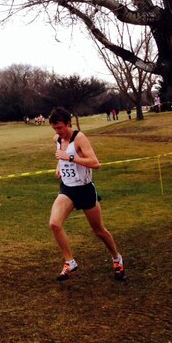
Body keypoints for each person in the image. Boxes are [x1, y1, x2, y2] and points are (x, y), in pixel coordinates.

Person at [47, 107, 125, 282]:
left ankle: (117, 258)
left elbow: (95, 163)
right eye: (54, 128)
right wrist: (59, 166)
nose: (58, 132)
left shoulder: (79, 138)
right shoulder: (58, 138)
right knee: (54, 224)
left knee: (99, 231)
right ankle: (70, 261)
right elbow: (60, 153)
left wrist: (70, 158)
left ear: (69, 124)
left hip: (85, 189)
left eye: (60, 128)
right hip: (67, 189)